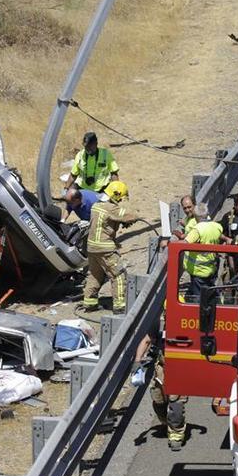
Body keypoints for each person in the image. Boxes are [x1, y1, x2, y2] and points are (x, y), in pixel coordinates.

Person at [81, 181, 137, 314]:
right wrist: (132, 219)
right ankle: (119, 306)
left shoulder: (96, 205)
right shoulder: (111, 208)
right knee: (117, 274)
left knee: (94, 275)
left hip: (92, 247)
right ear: (117, 195)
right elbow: (130, 215)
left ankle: (89, 304)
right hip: (105, 248)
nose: (121, 201)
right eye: (121, 198)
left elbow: (107, 222)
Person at [133, 331, 188, 451]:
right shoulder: (161, 327)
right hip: (162, 369)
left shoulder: (185, 323)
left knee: (176, 404)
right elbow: (147, 339)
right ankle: (166, 423)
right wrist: (138, 361)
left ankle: (176, 435)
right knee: (158, 401)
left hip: (180, 369)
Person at [180, 203, 229, 300]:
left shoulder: (197, 230)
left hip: (198, 270)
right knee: (209, 291)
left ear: (196, 216)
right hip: (211, 268)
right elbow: (220, 236)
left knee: (199, 299)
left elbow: (184, 244)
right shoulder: (216, 226)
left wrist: (169, 243)